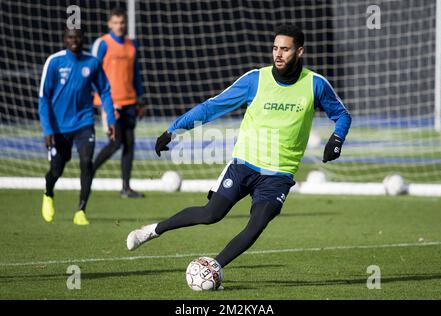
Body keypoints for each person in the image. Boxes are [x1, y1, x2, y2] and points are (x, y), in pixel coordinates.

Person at [126, 25, 352, 283]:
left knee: (257, 223)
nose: (278, 54)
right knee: (212, 214)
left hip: (278, 174)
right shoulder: (256, 79)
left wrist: (336, 139)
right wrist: (173, 130)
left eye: (285, 49)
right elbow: (212, 107)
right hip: (244, 163)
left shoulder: (315, 84)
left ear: (299, 52)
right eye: (275, 48)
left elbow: (342, 115)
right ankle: (151, 231)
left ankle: (214, 268)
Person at [39, 27, 116, 225]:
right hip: (58, 127)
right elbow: (44, 98)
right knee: (56, 170)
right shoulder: (54, 62)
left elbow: (105, 91)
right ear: (65, 39)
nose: (74, 40)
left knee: (86, 163)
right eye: (70, 37)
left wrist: (111, 120)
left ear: (83, 39)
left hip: (84, 122)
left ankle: (81, 210)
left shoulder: (92, 62)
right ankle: (48, 194)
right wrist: (47, 129)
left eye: (78, 37)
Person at [91, 8, 145, 198]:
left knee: (129, 144)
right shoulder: (103, 43)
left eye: (122, 22)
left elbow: (136, 73)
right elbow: (92, 71)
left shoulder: (131, 44)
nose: (119, 26)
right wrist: (94, 96)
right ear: (109, 24)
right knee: (115, 143)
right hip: (110, 103)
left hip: (130, 101)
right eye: (115, 22)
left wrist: (140, 99)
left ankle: (126, 187)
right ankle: (89, 171)